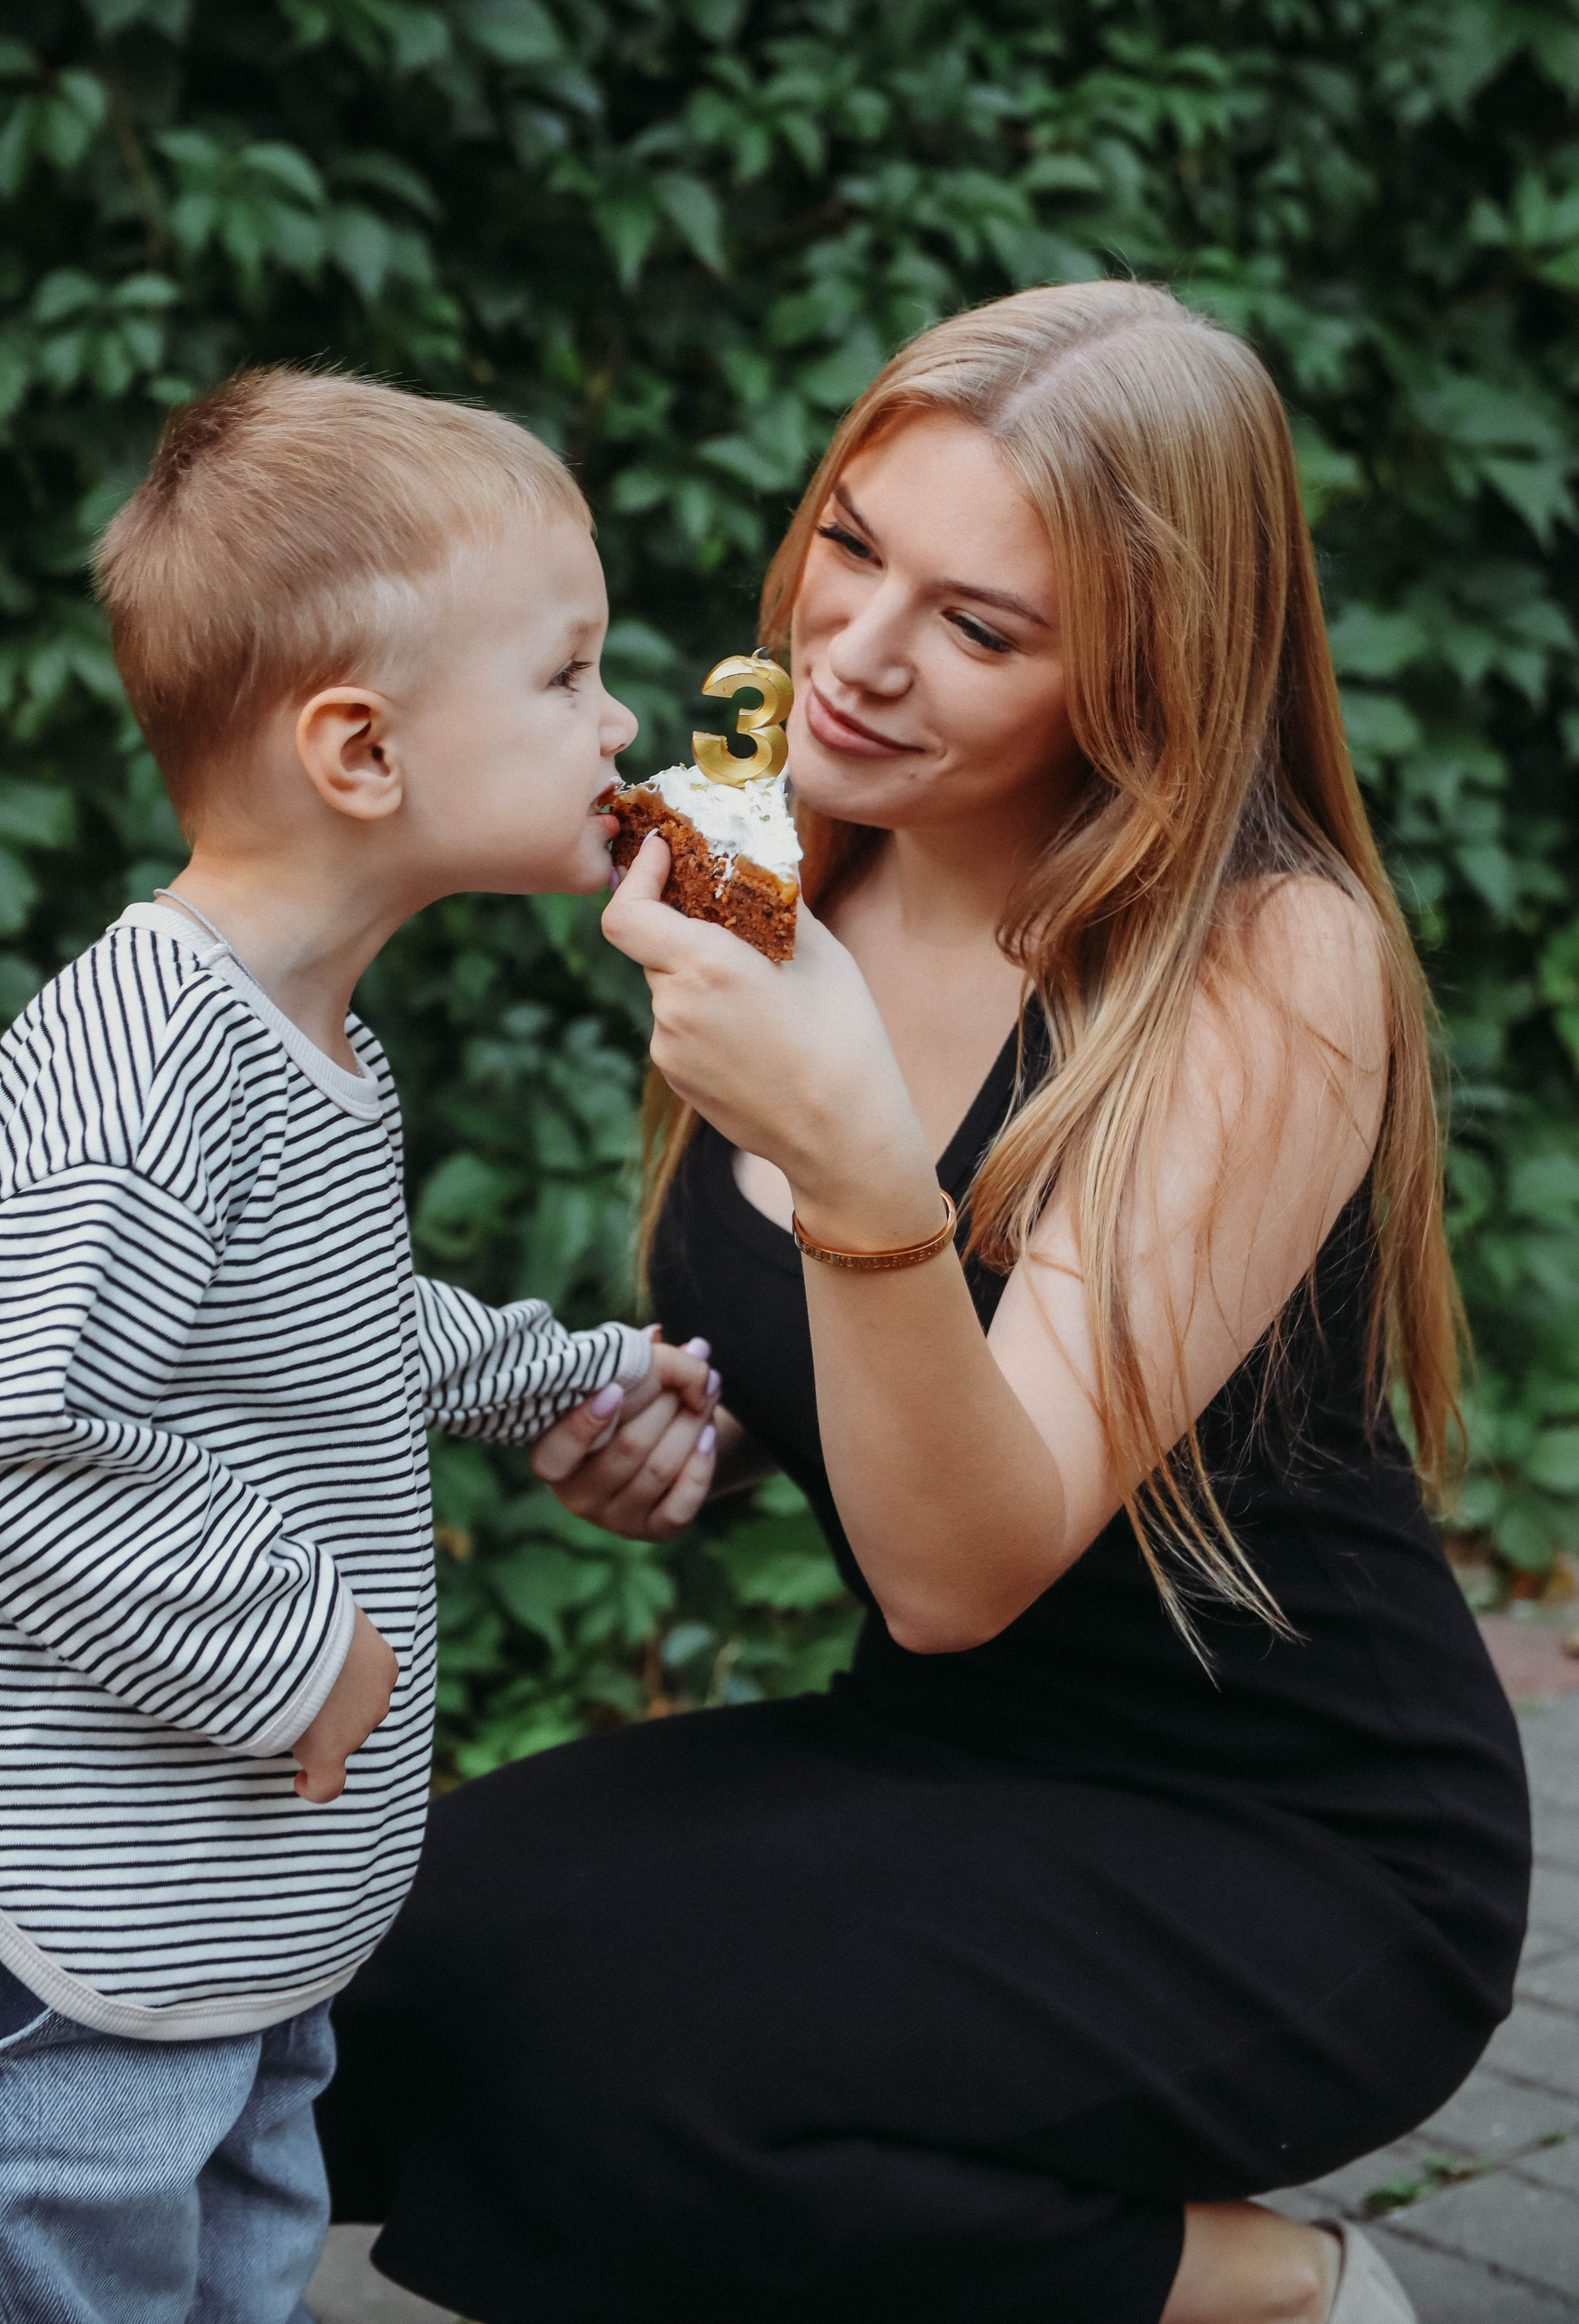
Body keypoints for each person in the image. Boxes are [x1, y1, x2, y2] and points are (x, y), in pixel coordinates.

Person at [320, 285, 1530, 2324]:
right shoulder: (783, 849)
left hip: (1298, 1841)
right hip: (949, 1758)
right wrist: (687, 1443)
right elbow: (852, 1404)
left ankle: (1276, 2291)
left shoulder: (1261, 959)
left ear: (1148, 670)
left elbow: (961, 1562)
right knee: (363, 1975)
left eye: (983, 626)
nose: (856, 655)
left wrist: (864, 1168)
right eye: (855, 547)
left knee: (635, 2089)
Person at [0, 368, 713, 2324]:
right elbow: (18, 1434)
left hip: (237, 1900)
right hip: (89, 1944)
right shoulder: (148, 1065)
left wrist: (556, 1376)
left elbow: (314, 1330)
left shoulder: (302, 1044)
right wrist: (287, 1639)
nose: (623, 722)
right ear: (361, 752)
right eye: (567, 675)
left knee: (245, 2265)